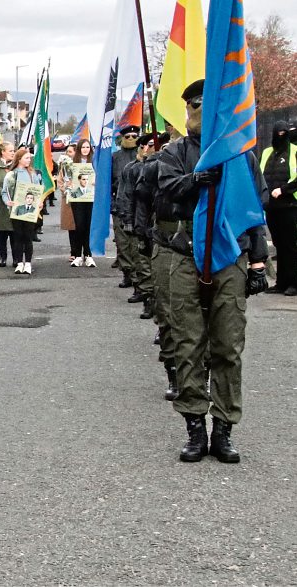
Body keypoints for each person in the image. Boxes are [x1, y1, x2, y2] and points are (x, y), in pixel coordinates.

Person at [157, 79, 268, 463]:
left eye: (210, 104)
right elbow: (165, 194)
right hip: (186, 254)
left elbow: (254, 211)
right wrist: (195, 181)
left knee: (228, 346)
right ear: (187, 109)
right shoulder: (175, 153)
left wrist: (258, 261)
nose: (202, 111)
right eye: (196, 104)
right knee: (188, 344)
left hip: (230, 254)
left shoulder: (241, 156)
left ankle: (223, 429)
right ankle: (194, 427)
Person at [134, 130, 178, 400]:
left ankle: (204, 373)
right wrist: (141, 233)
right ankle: (174, 372)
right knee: (167, 310)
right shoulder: (159, 162)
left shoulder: (223, 155)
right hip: (166, 240)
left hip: (209, 244)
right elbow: (142, 197)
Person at [120, 134, 156, 316]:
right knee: (142, 262)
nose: (149, 148)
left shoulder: (166, 165)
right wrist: (127, 219)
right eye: (147, 145)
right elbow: (128, 196)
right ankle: (147, 297)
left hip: (160, 223)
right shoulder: (134, 169)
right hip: (141, 221)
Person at [260, 120, 297, 295]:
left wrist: (283, 190)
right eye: (279, 133)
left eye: (284, 133)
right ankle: (281, 282)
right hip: (272, 207)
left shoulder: (295, 151)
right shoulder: (267, 152)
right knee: (279, 246)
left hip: (290, 205)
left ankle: (294, 283)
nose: (281, 136)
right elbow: (260, 175)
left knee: (289, 246)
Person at [2, 148, 42, 275]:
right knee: (18, 237)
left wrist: (40, 202)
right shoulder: (12, 174)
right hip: (17, 210)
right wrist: (8, 201)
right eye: (26, 158)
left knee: (28, 237)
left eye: (29, 158)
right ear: (19, 159)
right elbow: (5, 191)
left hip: (30, 211)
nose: (29, 160)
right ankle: (19, 263)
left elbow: (38, 190)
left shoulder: (32, 174)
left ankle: (28, 263)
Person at [112, 124, 141, 289]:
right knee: (122, 242)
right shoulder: (115, 157)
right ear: (122, 138)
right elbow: (108, 182)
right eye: (127, 137)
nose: (131, 139)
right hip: (120, 205)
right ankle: (127, 273)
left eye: (134, 136)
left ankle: (138, 276)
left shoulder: (141, 156)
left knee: (136, 243)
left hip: (138, 206)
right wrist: (112, 204)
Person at [67, 140, 96, 267]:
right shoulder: (73, 163)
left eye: (87, 147)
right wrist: (69, 184)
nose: (85, 149)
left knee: (88, 226)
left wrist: (96, 181)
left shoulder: (95, 162)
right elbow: (67, 179)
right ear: (79, 149)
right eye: (83, 147)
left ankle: (88, 255)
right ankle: (78, 255)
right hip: (77, 199)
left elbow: (102, 177)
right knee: (79, 226)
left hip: (91, 198)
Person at [57, 144, 77, 261]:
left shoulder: (82, 165)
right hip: (69, 199)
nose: (67, 154)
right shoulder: (64, 167)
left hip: (82, 199)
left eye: (70, 152)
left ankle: (84, 251)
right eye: (67, 152)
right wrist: (66, 188)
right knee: (71, 226)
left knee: (82, 226)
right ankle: (73, 251)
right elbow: (60, 182)